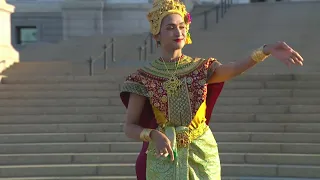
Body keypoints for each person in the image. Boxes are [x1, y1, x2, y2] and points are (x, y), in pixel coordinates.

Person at [120, 0, 304, 179]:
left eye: (182, 26)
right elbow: (130, 127)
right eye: (170, 27)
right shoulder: (143, 78)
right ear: (156, 35)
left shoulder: (202, 68)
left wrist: (265, 51)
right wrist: (153, 135)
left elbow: (234, 68)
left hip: (202, 152)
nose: (178, 32)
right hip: (164, 153)